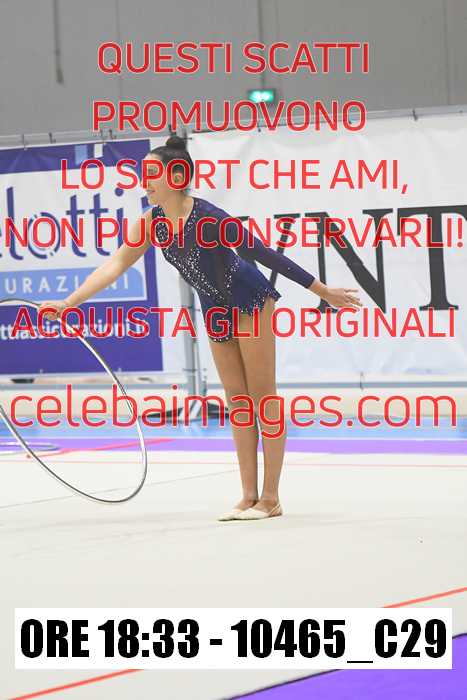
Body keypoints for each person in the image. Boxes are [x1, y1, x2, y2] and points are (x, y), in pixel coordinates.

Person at [40, 135, 361, 522]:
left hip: (249, 301)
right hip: (215, 310)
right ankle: (248, 495)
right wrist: (69, 302)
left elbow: (261, 252)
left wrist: (322, 290)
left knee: (263, 398)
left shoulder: (209, 218)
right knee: (237, 400)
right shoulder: (153, 224)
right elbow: (116, 265)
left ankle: (271, 497)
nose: (144, 182)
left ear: (176, 177)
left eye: (151, 174)